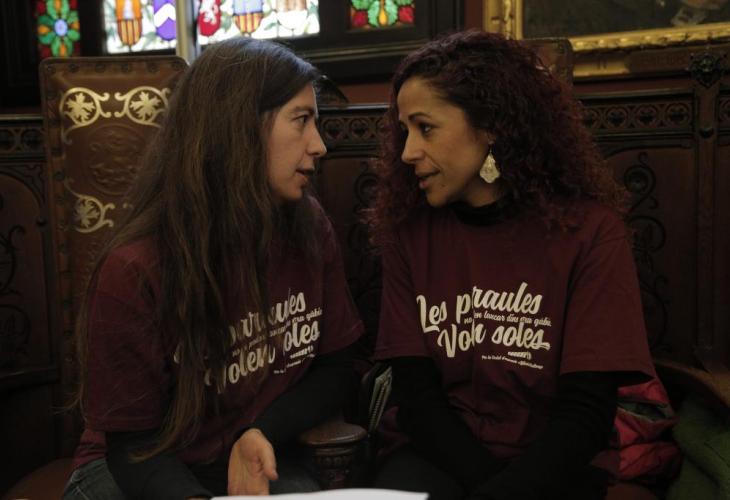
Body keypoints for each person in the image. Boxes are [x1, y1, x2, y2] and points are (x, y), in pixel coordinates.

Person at [62, 37, 363, 500]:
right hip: (139, 469)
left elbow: (337, 368)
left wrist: (261, 430)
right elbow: (132, 443)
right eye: (301, 120)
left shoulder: (309, 224)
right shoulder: (135, 268)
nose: (319, 145)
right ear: (239, 126)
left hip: (252, 454)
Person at [367, 30, 659, 500]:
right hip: (438, 458)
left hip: (556, 466)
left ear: (490, 126)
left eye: (425, 128)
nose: (408, 152)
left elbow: (586, 411)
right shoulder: (410, 234)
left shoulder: (591, 233)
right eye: (405, 131)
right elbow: (418, 400)